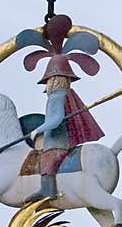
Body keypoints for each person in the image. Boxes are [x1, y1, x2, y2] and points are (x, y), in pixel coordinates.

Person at [15, 14, 104, 203]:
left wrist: (37, 131)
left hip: (57, 144)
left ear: (52, 80)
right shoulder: (66, 95)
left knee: (47, 159)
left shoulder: (56, 97)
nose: (46, 86)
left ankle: (48, 191)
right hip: (61, 141)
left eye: (46, 82)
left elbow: (55, 120)